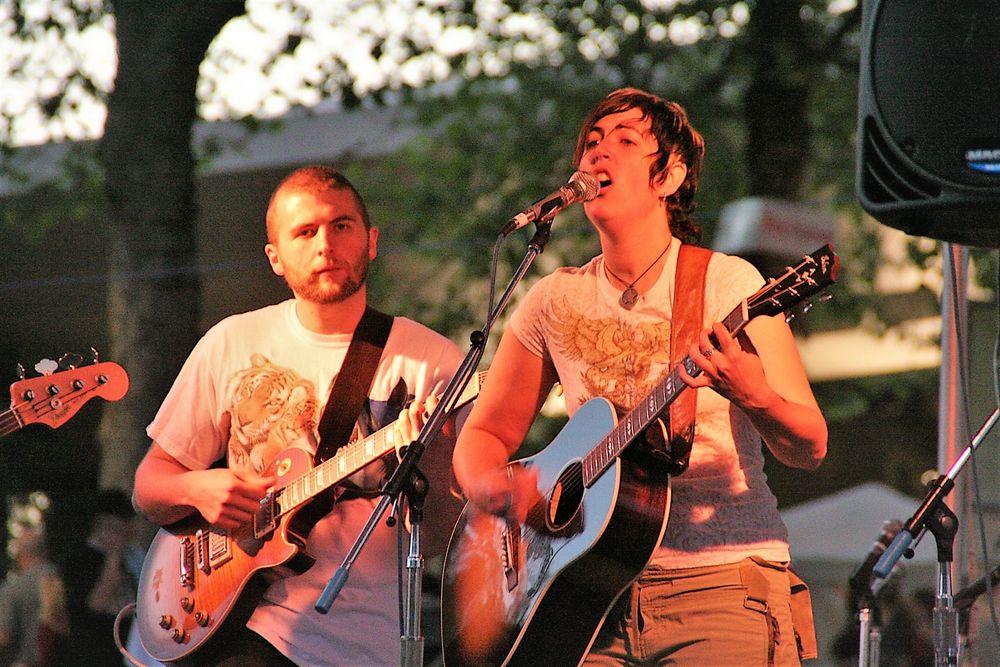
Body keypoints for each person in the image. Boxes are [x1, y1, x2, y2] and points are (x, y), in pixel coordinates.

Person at [451, 88, 828, 665]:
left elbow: (811, 444)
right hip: (585, 595)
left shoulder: (730, 284)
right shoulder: (553, 299)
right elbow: (483, 436)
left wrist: (754, 396)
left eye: (626, 142)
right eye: (592, 143)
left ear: (669, 177)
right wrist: (497, 491)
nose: (600, 155)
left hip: (721, 584)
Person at [133, 165, 464, 666]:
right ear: (275, 258)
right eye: (305, 232)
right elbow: (149, 486)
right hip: (242, 626)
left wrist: (433, 453)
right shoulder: (231, 342)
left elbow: (439, 540)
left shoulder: (434, 362)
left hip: (368, 644)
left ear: (371, 241)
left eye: (342, 226)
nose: (325, 245)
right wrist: (199, 489)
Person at [60, 489, 141, 667]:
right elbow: (97, 603)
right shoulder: (79, 561)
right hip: (94, 653)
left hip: (129, 652)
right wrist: (114, 554)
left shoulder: (133, 557)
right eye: (120, 526)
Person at [0, 526, 62, 667]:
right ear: (45, 551)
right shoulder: (62, 578)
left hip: (26, 661)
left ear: (18, 553)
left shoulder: (14, 588)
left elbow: (3, 635)